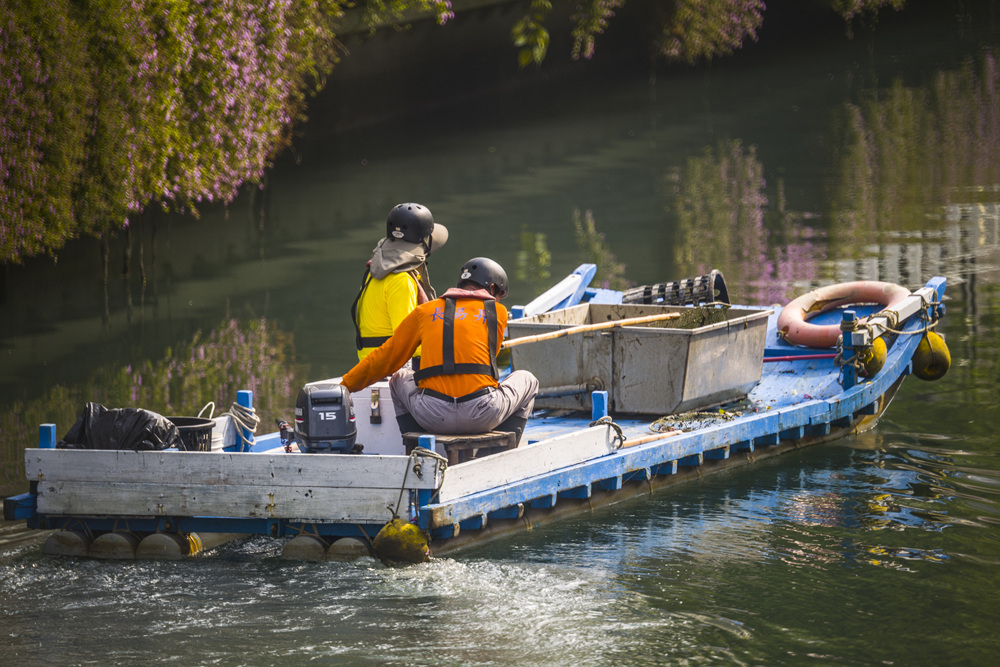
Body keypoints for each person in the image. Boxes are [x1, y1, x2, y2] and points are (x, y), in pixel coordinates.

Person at [341, 257, 539, 444]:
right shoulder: (499, 312)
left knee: (398, 378)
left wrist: (345, 386)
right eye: (498, 296)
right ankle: (501, 450)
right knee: (528, 379)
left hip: (432, 417)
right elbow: (490, 359)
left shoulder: (424, 312)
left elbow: (387, 358)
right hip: (482, 415)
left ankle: (417, 446)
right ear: (493, 288)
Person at [350, 202, 448, 362]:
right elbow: (407, 342)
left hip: (371, 362)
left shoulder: (375, 270)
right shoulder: (401, 280)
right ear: (423, 244)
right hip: (392, 365)